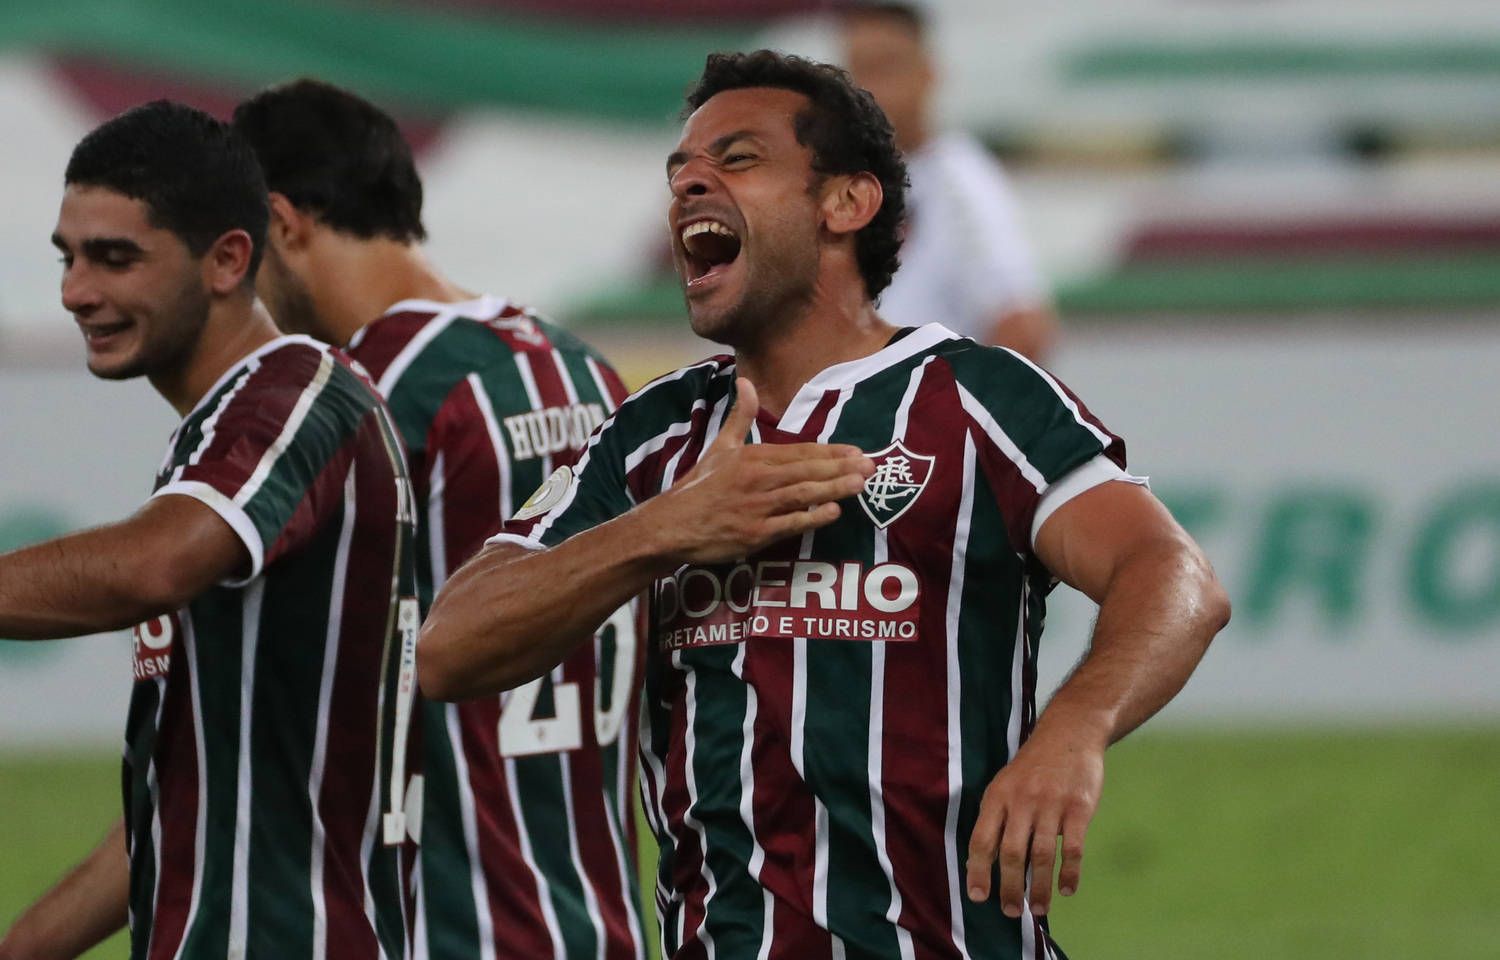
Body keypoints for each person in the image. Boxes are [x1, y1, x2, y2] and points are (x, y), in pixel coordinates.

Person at [417, 50, 1230, 959]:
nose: (690, 183)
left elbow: (1175, 578)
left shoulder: (975, 400)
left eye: (738, 159)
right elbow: (450, 649)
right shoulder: (650, 436)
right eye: (681, 170)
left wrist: (1072, 732)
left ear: (846, 204)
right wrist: (662, 530)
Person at [230, 79, 648, 960]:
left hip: (440, 925)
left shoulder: (358, 396)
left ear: (282, 222)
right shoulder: (584, 370)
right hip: (596, 919)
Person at [0, 102, 419, 960]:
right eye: (69, 258)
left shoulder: (300, 395)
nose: (78, 290)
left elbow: (153, 565)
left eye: (115, 258)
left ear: (230, 258)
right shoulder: (231, 428)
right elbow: (185, 808)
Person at [839, 1, 1059, 362]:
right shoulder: (835, 183)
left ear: (929, 73)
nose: (869, 88)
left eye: (887, 67)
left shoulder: (961, 183)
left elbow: (1024, 328)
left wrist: (952, 415)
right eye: (858, 70)